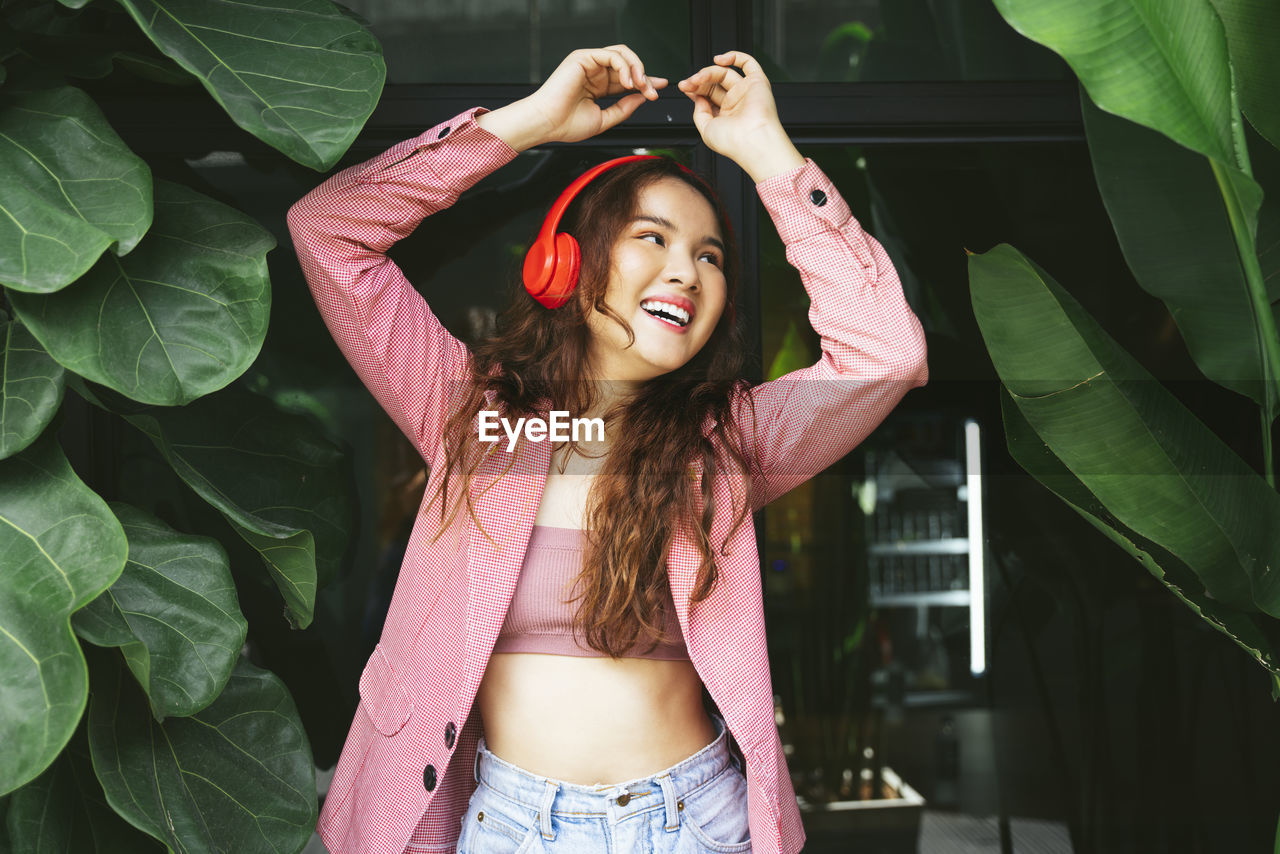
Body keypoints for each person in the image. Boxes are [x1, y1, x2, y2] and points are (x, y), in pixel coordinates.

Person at [288, 44, 928, 854]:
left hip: (693, 824)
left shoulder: (729, 443)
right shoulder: (463, 409)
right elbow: (329, 230)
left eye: (709, 256)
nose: (686, 273)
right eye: (651, 239)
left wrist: (769, 152)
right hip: (509, 828)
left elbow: (887, 355)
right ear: (565, 264)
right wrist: (530, 125)